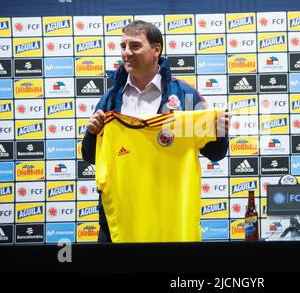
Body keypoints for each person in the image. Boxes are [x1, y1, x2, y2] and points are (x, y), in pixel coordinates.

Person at [81, 20, 230, 242]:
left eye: (135, 46)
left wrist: (219, 130)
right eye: (123, 46)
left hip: (168, 217)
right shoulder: (111, 98)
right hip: (121, 219)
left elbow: (215, 153)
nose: (126, 53)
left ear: (156, 49)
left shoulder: (184, 96)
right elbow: (91, 156)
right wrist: (92, 133)